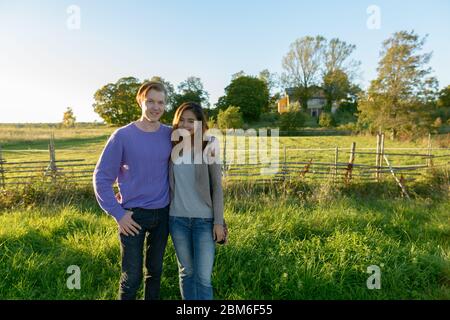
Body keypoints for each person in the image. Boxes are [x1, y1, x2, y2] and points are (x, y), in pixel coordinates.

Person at [93, 81, 172, 300]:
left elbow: (197, 143)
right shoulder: (122, 136)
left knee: (155, 272)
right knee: (132, 276)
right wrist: (118, 213)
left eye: (161, 102)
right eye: (150, 101)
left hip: (163, 213)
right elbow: (101, 177)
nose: (156, 107)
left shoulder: (171, 135)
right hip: (132, 216)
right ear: (140, 101)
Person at [169, 102, 225, 300]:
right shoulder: (173, 145)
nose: (185, 124)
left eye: (191, 121)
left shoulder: (209, 145)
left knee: (203, 278)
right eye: (181, 120)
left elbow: (217, 186)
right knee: (186, 273)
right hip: (177, 220)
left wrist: (218, 222)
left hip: (204, 221)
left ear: (200, 123)